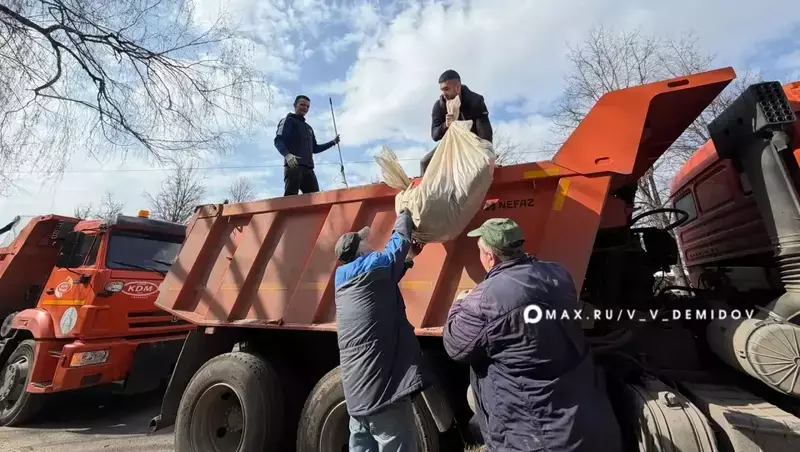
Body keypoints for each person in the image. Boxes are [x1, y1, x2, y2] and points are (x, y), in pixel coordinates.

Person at [442, 218, 622, 452]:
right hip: (581, 418)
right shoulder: (559, 275)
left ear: (490, 257)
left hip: (532, 433)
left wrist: (458, 304)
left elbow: (456, 346)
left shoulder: (486, 298)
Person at [333, 208, 430, 452]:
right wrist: (405, 214)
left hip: (357, 398)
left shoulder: (344, 280)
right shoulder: (374, 266)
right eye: (364, 242)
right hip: (382, 394)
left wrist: (407, 261)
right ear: (360, 251)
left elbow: (383, 280)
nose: (369, 243)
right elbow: (397, 246)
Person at [420, 70, 493, 175]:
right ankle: (426, 191)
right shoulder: (439, 106)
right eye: (442, 90)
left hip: (473, 143)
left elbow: (485, 130)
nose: (443, 94)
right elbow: (435, 135)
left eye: (446, 89)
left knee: (480, 165)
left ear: (457, 87)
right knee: (425, 162)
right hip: (450, 145)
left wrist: (487, 153)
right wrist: (446, 125)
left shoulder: (475, 101)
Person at [274, 95, 340, 196]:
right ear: (295, 105)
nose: (305, 108)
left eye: (308, 106)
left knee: (316, 199)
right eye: (302, 105)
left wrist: (333, 142)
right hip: (294, 167)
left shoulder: (309, 128)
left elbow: (315, 148)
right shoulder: (288, 120)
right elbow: (278, 140)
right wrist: (287, 155)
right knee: (291, 200)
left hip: (309, 169)